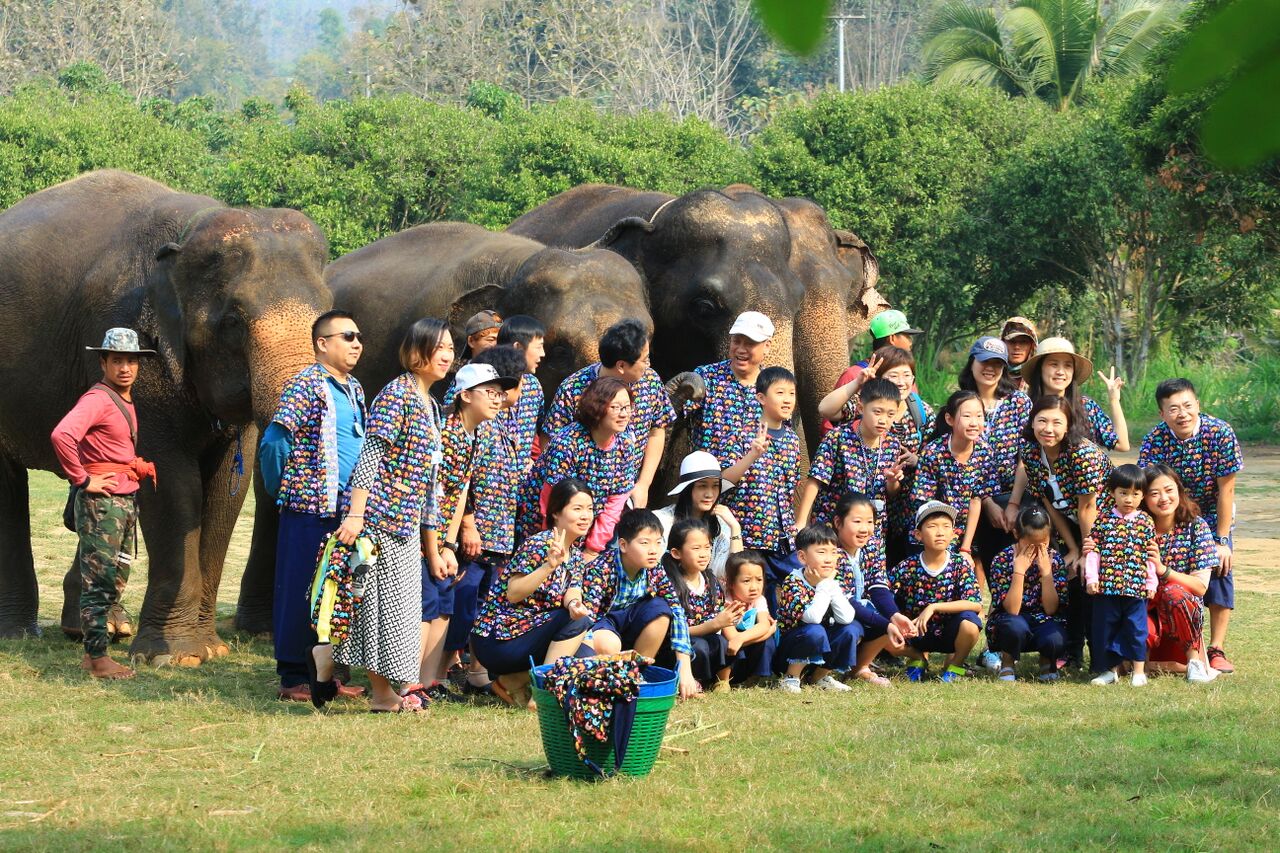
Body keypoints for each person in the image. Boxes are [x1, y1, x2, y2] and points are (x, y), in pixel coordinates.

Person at [329, 318, 451, 713]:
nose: (448, 354)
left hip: (407, 527)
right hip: (380, 521)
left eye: (451, 347)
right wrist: (357, 515)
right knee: (379, 613)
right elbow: (370, 456)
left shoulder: (431, 405)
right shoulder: (396, 395)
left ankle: (381, 687)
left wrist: (432, 539)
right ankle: (382, 695)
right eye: (440, 347)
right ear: (416, 353)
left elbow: (432, 481)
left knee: (398, 614)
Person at [258, 309, 367, 702]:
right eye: (348, 336)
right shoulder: (306, 385)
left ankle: (327, 675)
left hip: (345, 511)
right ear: (323, 343)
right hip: (308, 508)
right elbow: (274, 442)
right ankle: (292, 676)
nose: (357, 343)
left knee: (336, 593)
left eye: (358, 337)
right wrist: (284, 489)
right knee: (301, 591)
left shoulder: (353, 387)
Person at [50, 328, 158, 680]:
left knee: (117, 576)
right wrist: (83, 479)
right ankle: (97, 658)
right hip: (103, 503)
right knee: (99, 580)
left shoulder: (123, 399)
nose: (125, 367)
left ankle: (93, 653)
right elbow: (62, 435)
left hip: (123, 499)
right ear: (104, 362)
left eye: (130, 361)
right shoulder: (97, 399)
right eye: (117, 361)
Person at [406, 361, 516, 706]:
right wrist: (434, 549)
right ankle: (409, 683)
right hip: (422, 534)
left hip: (442, 538)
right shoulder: (449, 433)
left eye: (500, 393)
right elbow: (431, 497)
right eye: (490, 393)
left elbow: (460, 495)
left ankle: (429, 681)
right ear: (465, 396)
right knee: (426, 607)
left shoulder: (475, 433)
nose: (498, 400)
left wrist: (450, 545)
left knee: (443, 607)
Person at [1137, 378, 1242, 673]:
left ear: (1198, 405)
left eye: (1187, 405)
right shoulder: (1154, 440)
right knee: (1168, 580)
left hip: (1210, 515)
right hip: (1169, 514)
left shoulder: (1220, 433)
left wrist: (1221, 539)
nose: (1182, 413)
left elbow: (1227, 490)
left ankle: (1216, 648)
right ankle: (1164, 640)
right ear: (1162, 413)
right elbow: (1149, 487)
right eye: (1173, 408)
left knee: (1221, 569)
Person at [1005, 395, 1112, 670]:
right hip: (1069, 522)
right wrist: (1072, 548)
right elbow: (1047, 502)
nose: (1047, 429)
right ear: (1032, 422)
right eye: (1041, 421)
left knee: (1093, 583)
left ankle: (1102, 657)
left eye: (1056, 422)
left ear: (1068, 426)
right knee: (1069, 581)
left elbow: (1088, 507)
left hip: (1103, 524)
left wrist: (1088, 551)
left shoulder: (1082, 453)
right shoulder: (1030, 451)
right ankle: (1072, 653)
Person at [471, 478, 595, 710]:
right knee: (573, 625)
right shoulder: (540, 544)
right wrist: (548, 566)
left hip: (525, 635)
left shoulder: (575, 554)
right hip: (497, 639)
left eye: (589, 509)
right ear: (556, 513)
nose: (586, 516)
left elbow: (572, 589)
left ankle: (510, 682)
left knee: (585, 654)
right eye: (577, 509)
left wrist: (575, 604)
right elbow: (513, 593)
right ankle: (540, 696)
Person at [447, 346, 528, 695]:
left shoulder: (501, 424)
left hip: (500, 536)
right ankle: (446, 665)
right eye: (496, 389)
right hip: (476, 536)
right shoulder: (473, 429)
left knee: (482, 604)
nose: (508, 393)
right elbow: (463, 481)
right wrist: (468, 523)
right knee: (461, 600)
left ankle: (476, 671)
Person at [816, 346, 932, 565]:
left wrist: (916, 461)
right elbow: (825, 409)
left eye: (907, 375)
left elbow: (932, 456)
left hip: (905, 508)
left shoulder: (921, 411)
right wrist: (858, 383)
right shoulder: (867, 406)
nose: (901, 381)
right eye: (894, 375)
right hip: (867, 512)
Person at [542, 318, 675, 507]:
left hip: (628, 495)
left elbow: (657, 430)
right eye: (644, 360)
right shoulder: (574, 388)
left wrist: (643, 485)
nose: (648, 364)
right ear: (621, 366)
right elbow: (550, 440)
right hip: (579, 499)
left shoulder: (650, 381)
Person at [579, 509, 699, 699]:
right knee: (609, 643)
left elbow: (676, 608)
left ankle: (636, 675)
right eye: (645, 543)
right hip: (603, 625)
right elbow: (587, 617)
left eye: (658, 543)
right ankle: (609, 682)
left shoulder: (654, 568)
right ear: (623, 545)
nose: (653, 550)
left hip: (632, 625)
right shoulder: (601, 569)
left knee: (662, 609)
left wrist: (685, 670)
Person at [518, 376, 638, 556]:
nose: (623, 414)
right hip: (545, 530)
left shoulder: (626, 445)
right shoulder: (568, 443)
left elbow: (616, 501)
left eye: (627, 407)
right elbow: (551, 499)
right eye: (615, 407)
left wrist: (593, 548)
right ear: (597, 408)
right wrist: (557, 545)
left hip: (587, 530)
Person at [718, 366, 801, 607]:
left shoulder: (793, 440)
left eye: (792, 394)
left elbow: (790, 486)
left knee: (788, 595)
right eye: (780, 393)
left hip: (782, 537)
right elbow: (724, 481)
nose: (787, 400)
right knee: (750, 604)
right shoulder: (740, 433)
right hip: (749, 535)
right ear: (761, 398)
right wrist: (751, 456)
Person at [1141, 463, 1219, 683]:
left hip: (1181, 613)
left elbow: (1200, 587)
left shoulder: (1196, 527)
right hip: (1146, 606)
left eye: (1169, 490)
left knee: (1174, 591)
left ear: (1179, 490)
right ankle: (1142, 665)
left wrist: (1164, 571)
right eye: (1154, 493)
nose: (1163, 498)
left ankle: (1193, 662)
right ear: (1144, 499)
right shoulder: (1134, 527)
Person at [889, 502, 983, 683]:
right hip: (915, 631)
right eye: (932, 526)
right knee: (885, 629)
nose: (940, 532)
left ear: (954, 533)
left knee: (971, 624)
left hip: (949, 631)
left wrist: (934, 607)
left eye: (946, 527)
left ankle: (955, 666)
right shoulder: (907, 566)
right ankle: (918, 659)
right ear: (918, 535)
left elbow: (975, 603)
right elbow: (884, 594)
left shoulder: (959, 564)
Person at [797, 378, 905, 533]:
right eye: (877, 412)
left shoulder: (893, 444)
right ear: (861, 408)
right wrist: (801, 522)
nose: (883, 420)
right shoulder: (838, 437)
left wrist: (892, 481)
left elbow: (891, 492)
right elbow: (815, 480)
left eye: (890, 414)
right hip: (833, 527)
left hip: (871, 532)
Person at [957, 337, 1030, 566]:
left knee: (1013, 568)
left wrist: (1013, 505)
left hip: (1014, 498)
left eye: (997, 364)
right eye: (984, 362)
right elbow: (958, 456)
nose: (990, 369)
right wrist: (986, 502)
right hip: (973, 501)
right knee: (978, 565)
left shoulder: (1019, 402)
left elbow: (1025, 458)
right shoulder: (962, 402)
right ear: (972, 363)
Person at [1086, 465, 1159, 687]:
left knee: (1136, 629)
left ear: (1142, 496)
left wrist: (1151, 581)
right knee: (1105, 630)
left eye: (1136, 494)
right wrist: (1091, 578)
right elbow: (1093, 552)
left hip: (1136, 589)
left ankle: (1138, 670)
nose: (1129, 499)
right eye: (1123, 493)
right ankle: (1110, 670)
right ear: (1112, 493)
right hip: (1106, 588)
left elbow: (1150, 554)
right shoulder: (1103, 520)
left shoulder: (1145, 521)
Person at [912, 391, 999, 572]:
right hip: (934, 527)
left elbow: (976, 500)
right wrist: (944, 536)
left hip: (967, 531)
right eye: (967, 416)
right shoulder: (933, 452)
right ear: (950, 419)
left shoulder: (985, 451)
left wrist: (965, 547)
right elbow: (926, 502)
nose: (974, 422)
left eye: (979, 416)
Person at [774, 525, 862, 693]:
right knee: (815, 630)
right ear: (802, 557)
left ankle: (820, 676)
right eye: (821, 552)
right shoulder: (793, 582)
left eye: (834, 552)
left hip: (822, 648)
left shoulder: (832, 579)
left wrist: (829, 585)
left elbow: (846, 617)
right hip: (790, 651)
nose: (829, 559)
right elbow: (812, 618)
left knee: (852, 629)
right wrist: (823, 586)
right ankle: (791, 677)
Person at [831, 493, 907, 686]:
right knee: (854, 627)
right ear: (838, 522)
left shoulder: (872, 546)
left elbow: (879, 587)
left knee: (889, 617)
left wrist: (894, 616)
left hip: (857, 608)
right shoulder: (830, 551)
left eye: (870, 522)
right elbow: (846, 601)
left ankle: (859, 668)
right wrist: (886, 623)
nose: (865, 529)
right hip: (834, 615)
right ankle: (824, 669)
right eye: (857, 521)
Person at [985, 505, 1068, 682]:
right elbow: (1012, 610)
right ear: (1016, 534)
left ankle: (1047, 661)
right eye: (1030, 544)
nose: (1037, 550)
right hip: (1011, 618)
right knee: (1014, 627)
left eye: (1043, 543)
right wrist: (1019, 571)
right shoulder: (1002, 559)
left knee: (1055, 636)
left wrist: (1046, 574)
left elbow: (1052, 609)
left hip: (1043, 617)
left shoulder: (1053, 559)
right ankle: (1007, 663)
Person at [685, 310, 774, 466]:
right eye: (736, 341)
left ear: (767, 346)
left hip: (756, 484)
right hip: (711, 484)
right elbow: (673, 416)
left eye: (750, 343)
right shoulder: (707, 377)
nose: (740, 349)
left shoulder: (773, 386)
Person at [662, 518, 738, 692]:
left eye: (707, 547)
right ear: (676, 553)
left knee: (722, 641)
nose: (704, 553)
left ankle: (721, 680)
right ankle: (690, 680)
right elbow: (671, 632)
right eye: (696, 548)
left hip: (706, 638)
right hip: (674, 648)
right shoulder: (669, 585)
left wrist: (729, 618)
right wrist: (714, 624)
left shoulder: (711, 580)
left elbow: (717, 615)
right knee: (699, 646)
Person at [822, 310, 924, 435]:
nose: (910, 342)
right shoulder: (855, 375)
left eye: (907, 375)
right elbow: (828, 424)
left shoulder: (907, 382)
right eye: (907, 336)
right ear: (892, 338)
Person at [1024, 337, 1129, 451]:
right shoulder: (1025, 407)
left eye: (1068, 366)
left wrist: (1114, 400)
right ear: (1039, 369)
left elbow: (1122, 445)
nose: (1060, 372)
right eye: (1054, 364)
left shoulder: (1086, 407)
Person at [653, 451, 743, 578]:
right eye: (702, 486)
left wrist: (735, 528)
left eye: (715, 486)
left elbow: (733, 574)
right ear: (688, 489)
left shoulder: (723, 525)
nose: (709, 494)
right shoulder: (662, 521)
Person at [495, 314, 546, 472]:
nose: (543, 354)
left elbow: (541, 430)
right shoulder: (485, 383)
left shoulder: (533, 386)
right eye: (538, 347)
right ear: (518, 348)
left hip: (522, 486)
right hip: (489, 485)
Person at [719, 551, 778, 686]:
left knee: (767, 642)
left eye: (759, 580)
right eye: (746, 581)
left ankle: (755, 677)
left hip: (744, 646)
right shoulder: (725, 601)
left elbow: (763, 624)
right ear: (730, 583)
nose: (754, 587)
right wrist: (768, 632)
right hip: (730, 655)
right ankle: (724, 681)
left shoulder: (759, 600)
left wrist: (741, 639)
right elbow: (731, 638)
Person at [1000, 317, 1039, 391]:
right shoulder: (992, 375)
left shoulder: (1038, 378)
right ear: (1002, 343)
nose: (1017, 347)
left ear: (1032, 346)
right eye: (1012, 341)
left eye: (1023, 342)